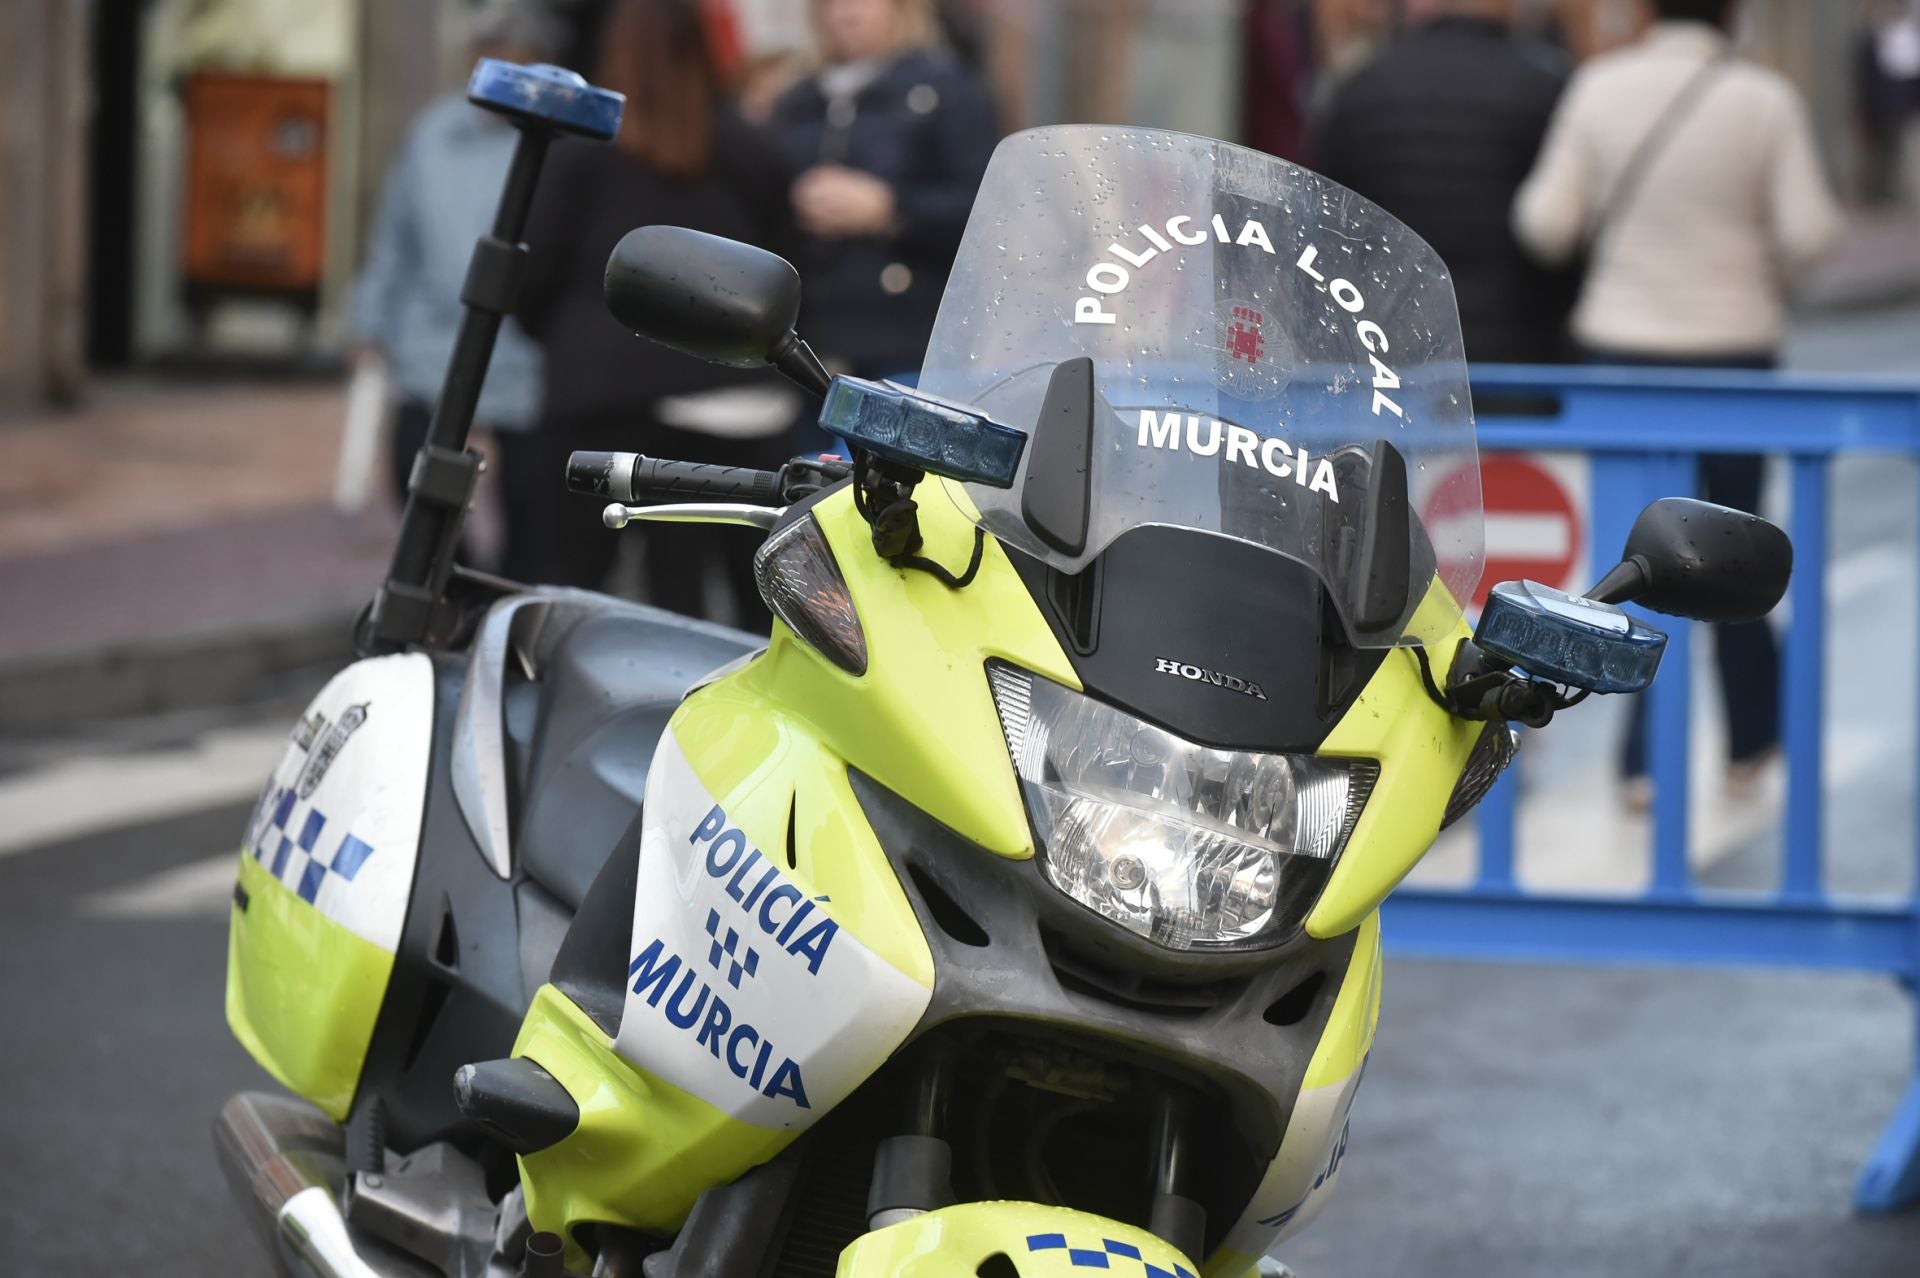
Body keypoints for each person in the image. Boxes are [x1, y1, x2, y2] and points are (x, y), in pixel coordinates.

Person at [1512, 0, 1842, 804]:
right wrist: (1760, 277)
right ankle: (1750, 745)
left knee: (1637, 562)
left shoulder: (1599, 86)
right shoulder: (1764, 99)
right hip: (1731, 359)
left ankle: (1641, 766)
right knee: (1732, 558)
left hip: (1621, 360)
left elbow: (1545, 222)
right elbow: (1812, 231)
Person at [517, 0, 797, 627]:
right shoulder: (755, 154)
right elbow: (789, 274)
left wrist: (577, 341)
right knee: (741, 618)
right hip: (730, 407)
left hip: (597, 397)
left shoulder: (581, 155)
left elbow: (531, 278)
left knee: (571, 604)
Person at [350, 4, 564, 579]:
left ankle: (511, 599)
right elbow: (393, 237)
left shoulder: (562, 147)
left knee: (532, 499)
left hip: (529, 354)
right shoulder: (432, 134)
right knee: (415, 477)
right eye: (487, 60)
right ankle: (455, 585)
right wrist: (370, 321)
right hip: (434, 345)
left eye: (517, 64)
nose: (500, 76)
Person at [1311, 0, 1575, 365]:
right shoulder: (1546, 89)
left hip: (1393, 348)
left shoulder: (1363, 86)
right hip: (1512, 353)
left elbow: (1323, 226)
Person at [768, 0, 998, 390]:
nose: (846, 14)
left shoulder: (948, 90)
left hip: (908, 335)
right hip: (808, 335)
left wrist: (891, 209)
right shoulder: (797, 101)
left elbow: (986, 208)